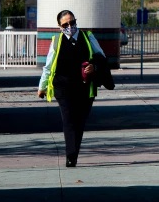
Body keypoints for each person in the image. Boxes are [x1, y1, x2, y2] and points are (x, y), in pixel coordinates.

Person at [37, 10, 107, 167]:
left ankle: (74, 151)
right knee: (68, 120)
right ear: (59, 26)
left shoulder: (88, 37)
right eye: (65, 24)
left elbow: (102, 58)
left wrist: (93, 66)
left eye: (72, 22)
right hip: (63, 87)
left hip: (85, 87)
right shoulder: (56, 41)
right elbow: (48, 67)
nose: (70, 26)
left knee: (79, 122)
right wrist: (42, 86)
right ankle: (71, 156)